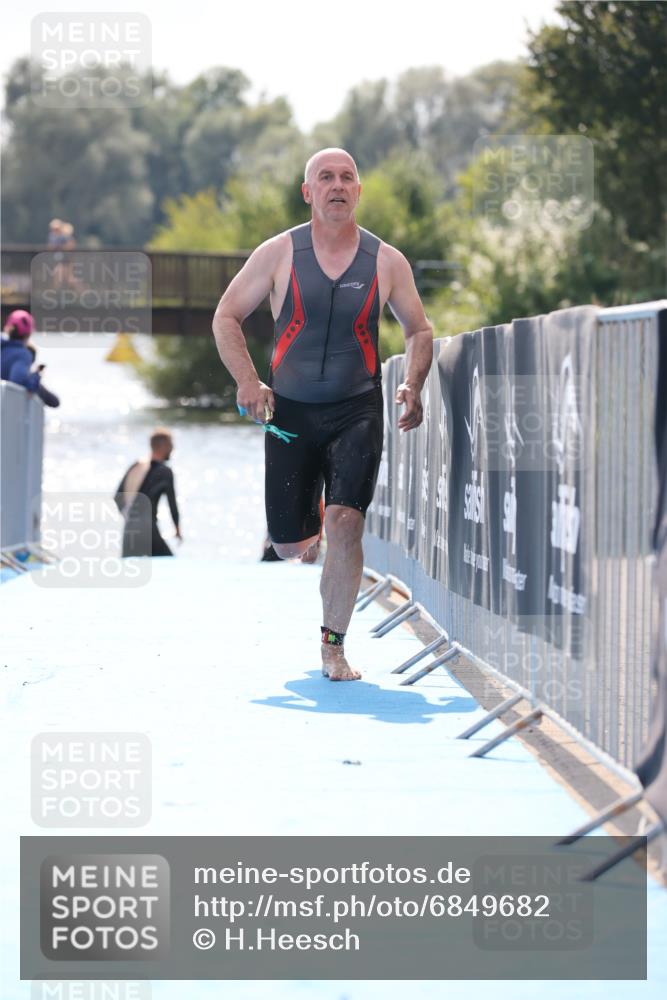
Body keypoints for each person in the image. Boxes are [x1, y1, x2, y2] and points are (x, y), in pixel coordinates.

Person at [212, 148, 433, 682]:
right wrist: (247, 379)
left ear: (358, 191)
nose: (337, 185)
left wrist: (412, 381)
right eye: (325, 178)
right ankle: (306, 524)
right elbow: (226, 316)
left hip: (357, 408)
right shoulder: (279, 253)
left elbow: (419, 330)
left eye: (347, 177)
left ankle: (333, 647)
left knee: (346, 521)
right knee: (290, 545)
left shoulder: (386, 261)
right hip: (290, 414)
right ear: (308, 192)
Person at [114, 428, 182, 557]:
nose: (172, 449)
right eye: (171, 445)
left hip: (130, 530)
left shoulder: (136, 466)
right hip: (148, 528)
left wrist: (131, 519)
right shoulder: (165, 472)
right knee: (170, 566)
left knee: (128, 572)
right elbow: (172, 504)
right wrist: (177, 530)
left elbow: (117, 497)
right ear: (165, 447)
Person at [1, 309, 60, 407]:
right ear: (29, 334)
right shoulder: (23, 354)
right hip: (7, 413)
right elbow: (17, 383)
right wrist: (37, 375)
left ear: (8, 328)